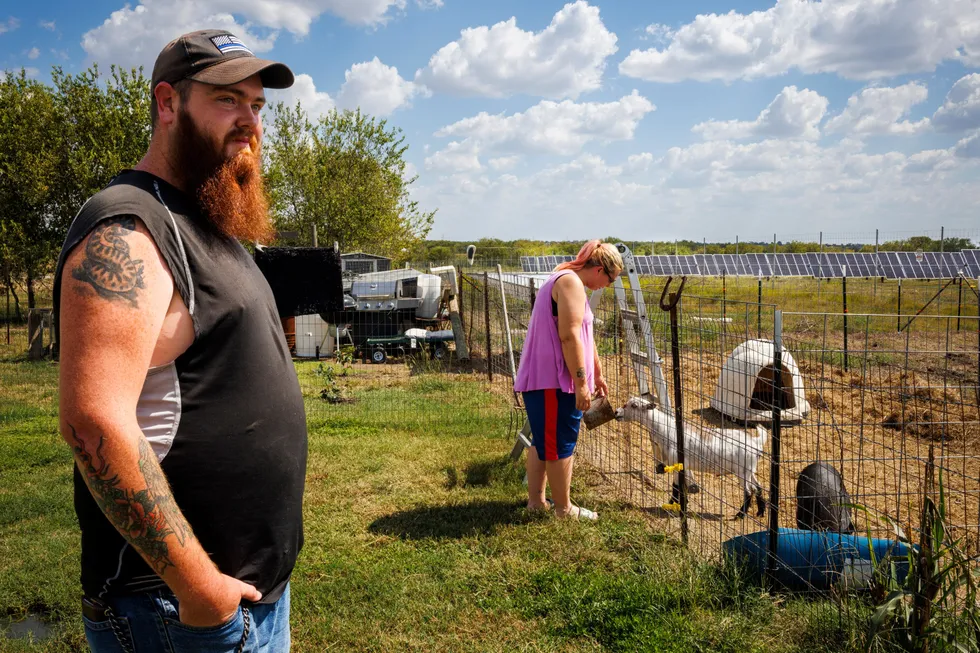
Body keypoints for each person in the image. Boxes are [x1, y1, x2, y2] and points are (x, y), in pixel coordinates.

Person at [53, 30, 306, 652]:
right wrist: (199, 588)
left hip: (242, 598)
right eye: (228, 100)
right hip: (177, 612)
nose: (249, 121)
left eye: (258, 105)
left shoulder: (206, 221)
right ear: (168, 103)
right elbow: (93, 422)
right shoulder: (128, 225)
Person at [514, 240, 623, 520]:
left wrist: (596, 371)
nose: (608, 285)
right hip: (555, 380)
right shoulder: (570, 283)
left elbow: (584, 335)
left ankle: (537, 502)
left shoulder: (565, 279)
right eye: (610, 279)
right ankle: (564, 509)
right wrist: (581, 383)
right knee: (562, 443)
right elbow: (569, 336)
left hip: (549, 380)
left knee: (543, 440)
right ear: (599, 270)